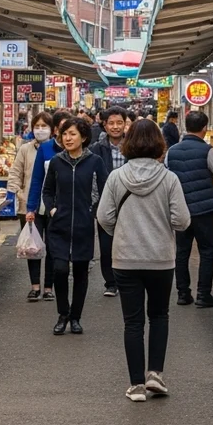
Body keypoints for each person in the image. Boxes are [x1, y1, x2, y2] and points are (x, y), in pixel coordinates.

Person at [98, 120, 191, 402]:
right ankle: (155, 376)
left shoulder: (116, 177)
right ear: (159, 145)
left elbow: (103, 217)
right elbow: (183, 220)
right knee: (159, 316)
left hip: (125, 259)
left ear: (128, 144)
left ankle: (136, 385)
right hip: (161, 259)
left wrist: (123, 231)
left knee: (133, 323)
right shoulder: (169, 178)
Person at [41, 117, 107, 335]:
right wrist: (51, 209)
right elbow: (47, 190)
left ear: (84, 137)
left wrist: (92, 212)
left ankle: (76, 317)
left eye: (72, 134)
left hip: (83, 227)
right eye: (64, 134)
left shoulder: (95, 161)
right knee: (59, 270)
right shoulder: (57, 162)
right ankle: (63, 314)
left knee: (80, 273)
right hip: (58, 226)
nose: (67, 138)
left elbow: (104, 190)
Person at [165, 110, 213, 307]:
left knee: (182, 251)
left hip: (180, 208)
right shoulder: (207, 150)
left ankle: (183, 293)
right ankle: (203, 295)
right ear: (205, 128)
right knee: (206, 251)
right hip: (203, 210)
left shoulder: (171, 151)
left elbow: (166, 176)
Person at [9, 111, 54, 301]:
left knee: (53, 248)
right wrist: (21, 196)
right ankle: (35, 286)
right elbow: (14, 174)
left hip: (53, 207)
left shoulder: (57, 149)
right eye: (37, 126)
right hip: (29, 207)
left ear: (52, 130)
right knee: (32, 247)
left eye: (45, 126)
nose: (41, 130)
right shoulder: (25, 149)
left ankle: (49, 287)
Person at [90, 106, 129, 297]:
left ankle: (127, 279)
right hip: (105, 204)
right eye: (111, 123)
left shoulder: (133, 147)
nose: (115, 127)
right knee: (107, 245)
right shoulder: (96, 149)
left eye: (119, 123)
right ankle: (110, 283)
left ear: (125, 124)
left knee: (128, 243)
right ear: (104, 125)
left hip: (130, 204)